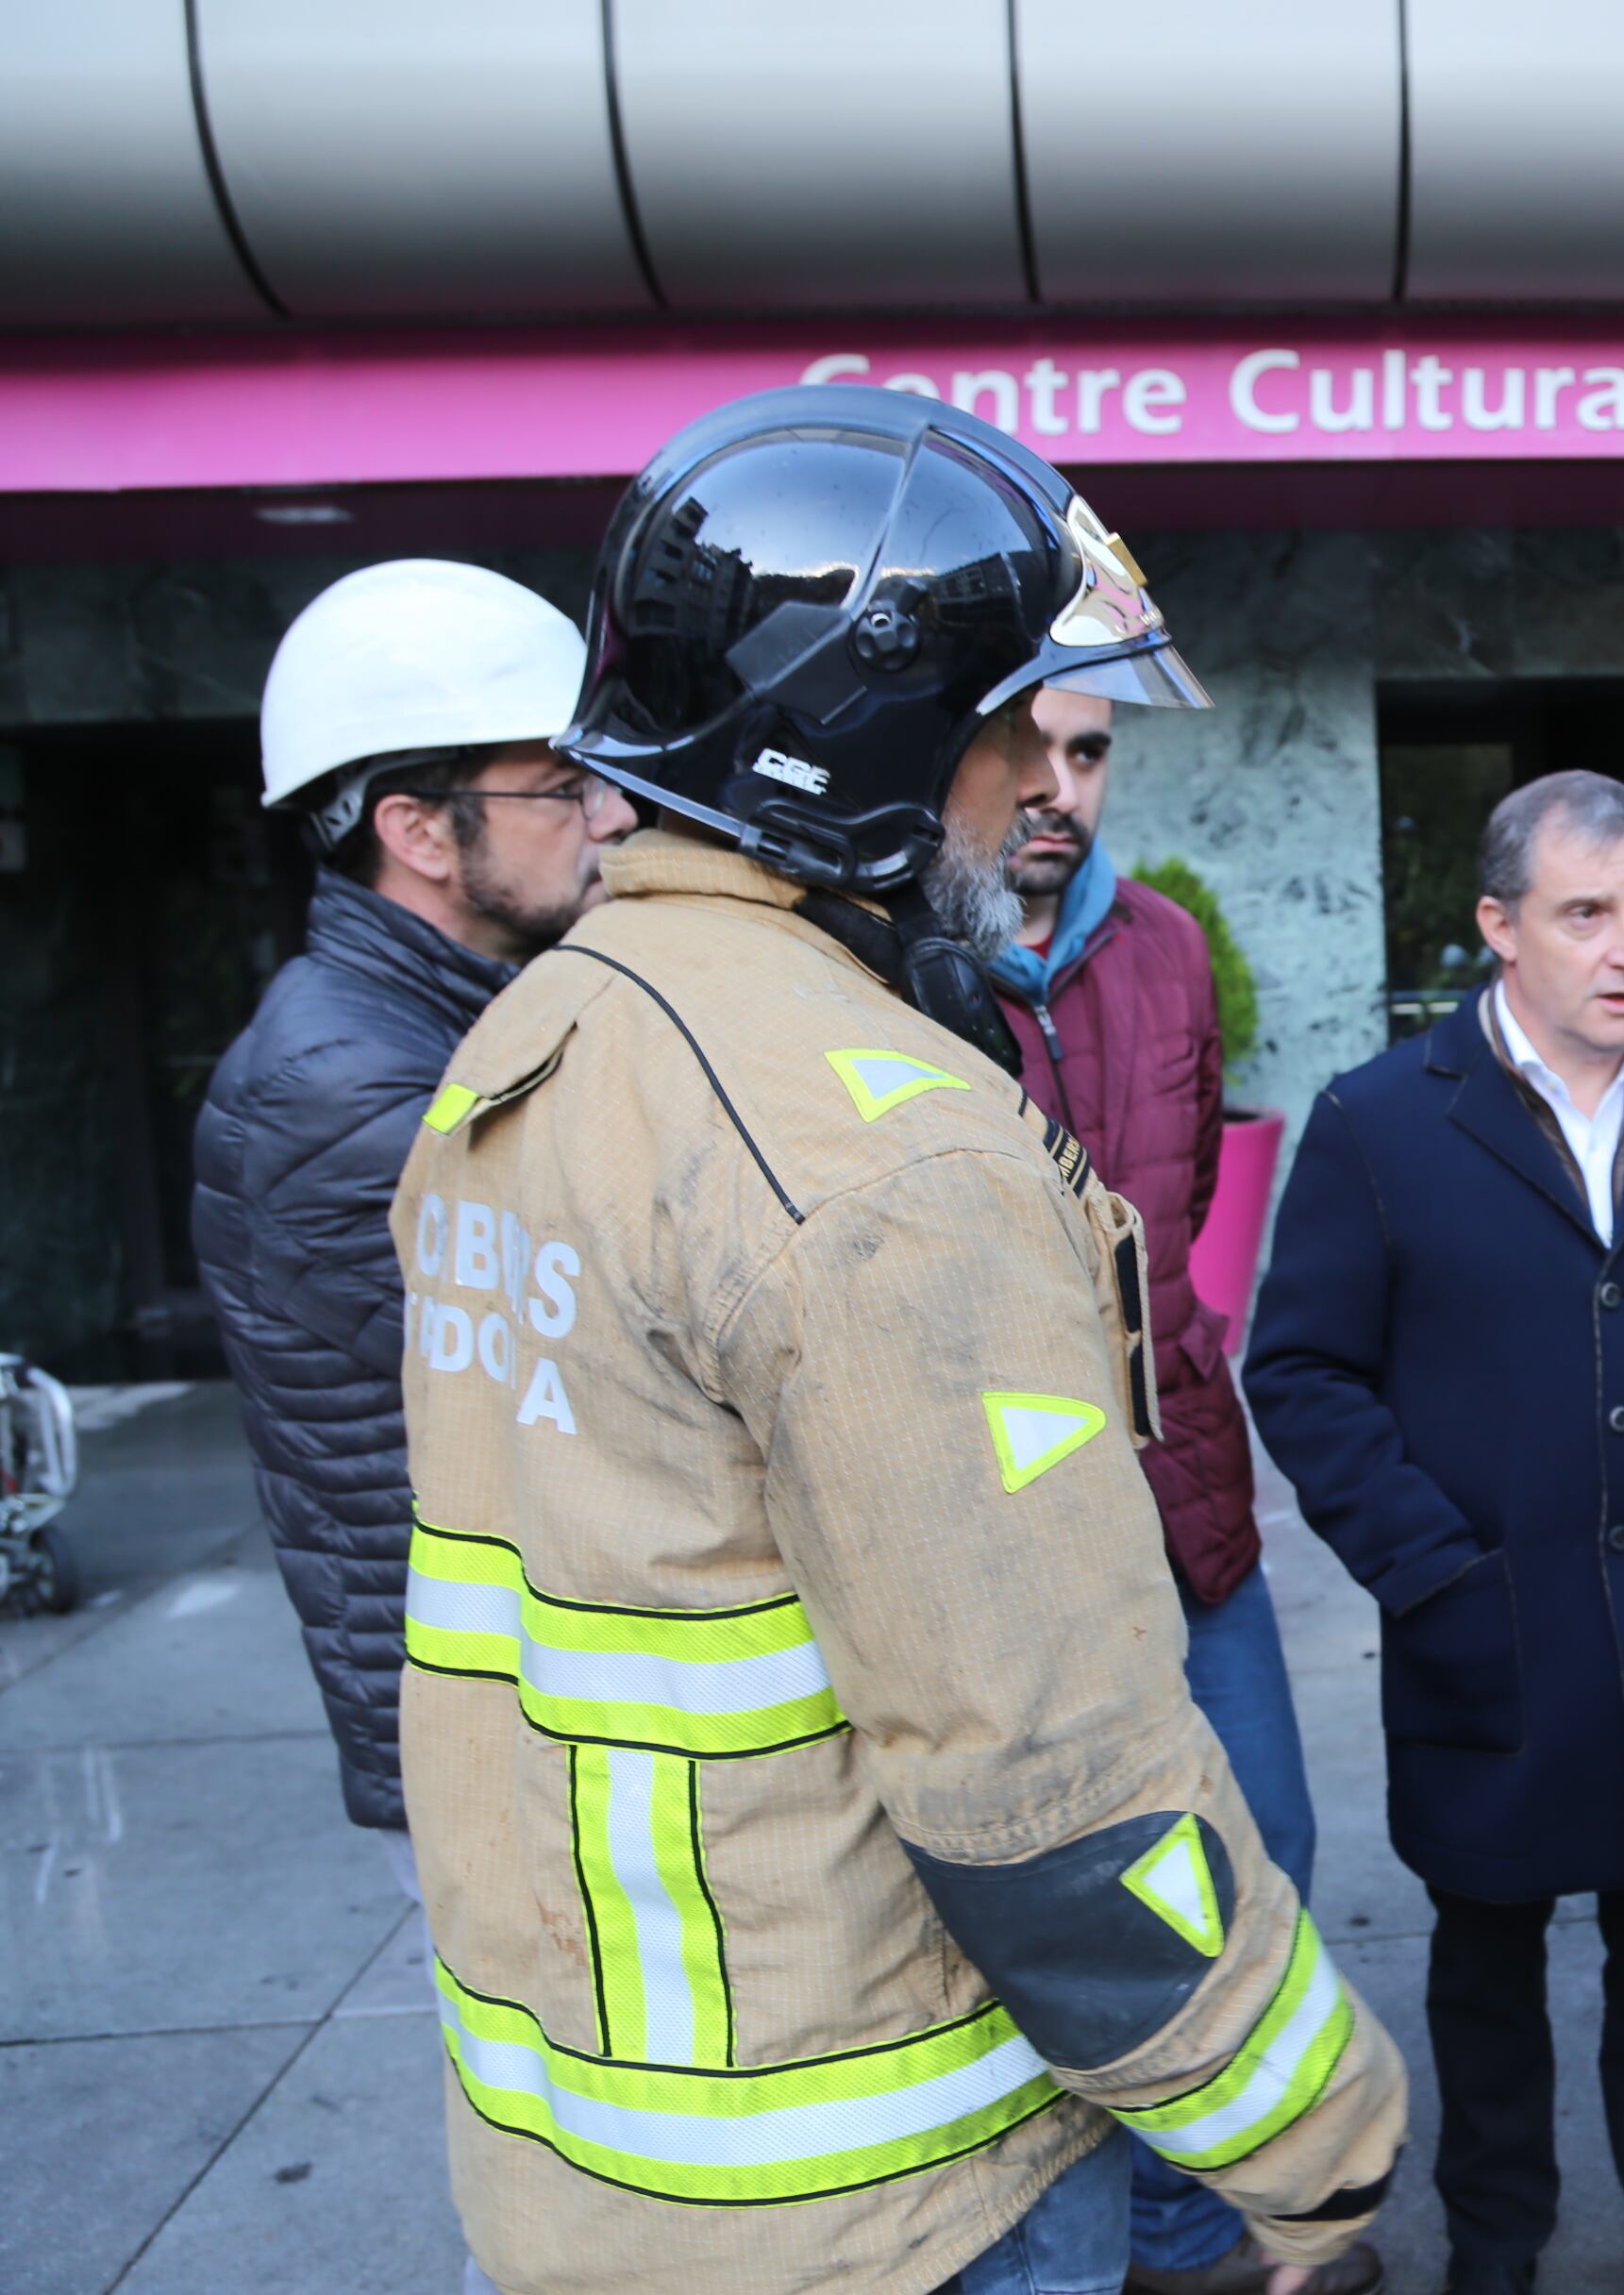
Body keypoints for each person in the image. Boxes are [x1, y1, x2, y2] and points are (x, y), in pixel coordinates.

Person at [395, 384, 1402, 2295]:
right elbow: (1049, 1792)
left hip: (590, 2167)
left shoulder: (532, 1047)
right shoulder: (884, 1157)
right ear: (850, 740)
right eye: (1009, 720)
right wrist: (1320, 2141)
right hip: (898, 2197)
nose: (1046, 777)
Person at [1245, 770, 1624, 2295]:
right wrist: (1431, 1571)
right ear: (1501, 925)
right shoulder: (1381, 1122)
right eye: (1588, 914)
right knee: (1487, 1961)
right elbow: (1303, 1369)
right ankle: (1496, 2236)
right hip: (1486, 1636)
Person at [932, 679, 1354, 2295]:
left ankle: (1183, 2234)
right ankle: (1092, 2234)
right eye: (1025, 751)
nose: (1058, 787)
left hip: (1185, 1495)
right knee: (1074, 1916)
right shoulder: (890, 963)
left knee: (1267, 1857)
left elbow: (1173, 1231)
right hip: (1000, 1540)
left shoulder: (1169, 951)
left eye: (1090, 754)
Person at [193, 558, 628, 1866]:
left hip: (547, 1689)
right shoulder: (342, 1082)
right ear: (420, 832)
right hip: (499, 1721)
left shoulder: (458, 1022)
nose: (607, 819)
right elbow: (601, 1369)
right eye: (559, 790)